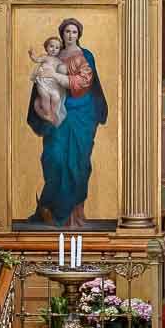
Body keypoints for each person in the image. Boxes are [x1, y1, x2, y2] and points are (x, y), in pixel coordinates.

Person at [27, 18, 108, 229]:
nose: (70, 35)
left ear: (78, 35)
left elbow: (86, 82)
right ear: (61, 34)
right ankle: (50, 208)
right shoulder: (54, 54)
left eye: (74, 32)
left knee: (78, 163)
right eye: (67, 31)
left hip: (81, 113)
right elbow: (40, 82)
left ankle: (73, 215)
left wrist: (56, 76)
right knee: (54, 158)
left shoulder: (85, 55)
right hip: (58, 114)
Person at [28, 36, 69, 128]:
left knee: (56, 97)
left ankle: (54, 113)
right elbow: (36, 60)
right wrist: (32, 55)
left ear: (59, 50)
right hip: (42, 81)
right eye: (51, 46)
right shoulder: (45, 57)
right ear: (46, 47)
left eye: (57, 48)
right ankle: (47, 112)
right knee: (45, 96)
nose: (54, 49)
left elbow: (62, 70)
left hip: (52, 83)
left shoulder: (58, 61)